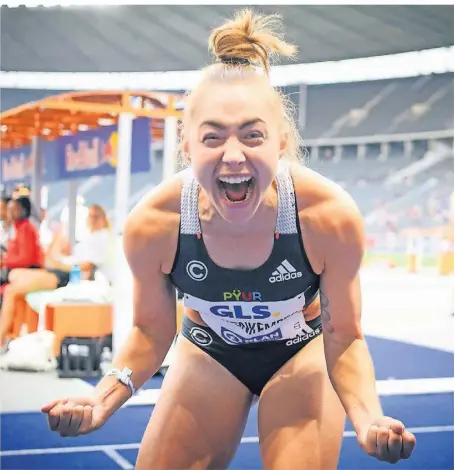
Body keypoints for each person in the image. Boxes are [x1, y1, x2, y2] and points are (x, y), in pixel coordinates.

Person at [41, 9, 416, 469]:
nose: (233, 156)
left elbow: (345, 336)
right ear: (187, 147)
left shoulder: (327, 217)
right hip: (209, 352)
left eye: (252, 136)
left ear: (280, 143)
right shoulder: (154, 225)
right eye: (213, 137)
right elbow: (149, 330)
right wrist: (104, 397)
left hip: (301, 353)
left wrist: (368, 418)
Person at [0, 204, 115, 346]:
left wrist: (60, 261)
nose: (91, 220)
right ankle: (11, 335)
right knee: (14, 277)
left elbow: (86, 265)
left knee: (12, 290)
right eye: (90, 216)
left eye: (95, 216)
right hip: (58, 270)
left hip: (64, 275)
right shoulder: (90, 237)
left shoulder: (101, 238)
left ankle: (3, 337)